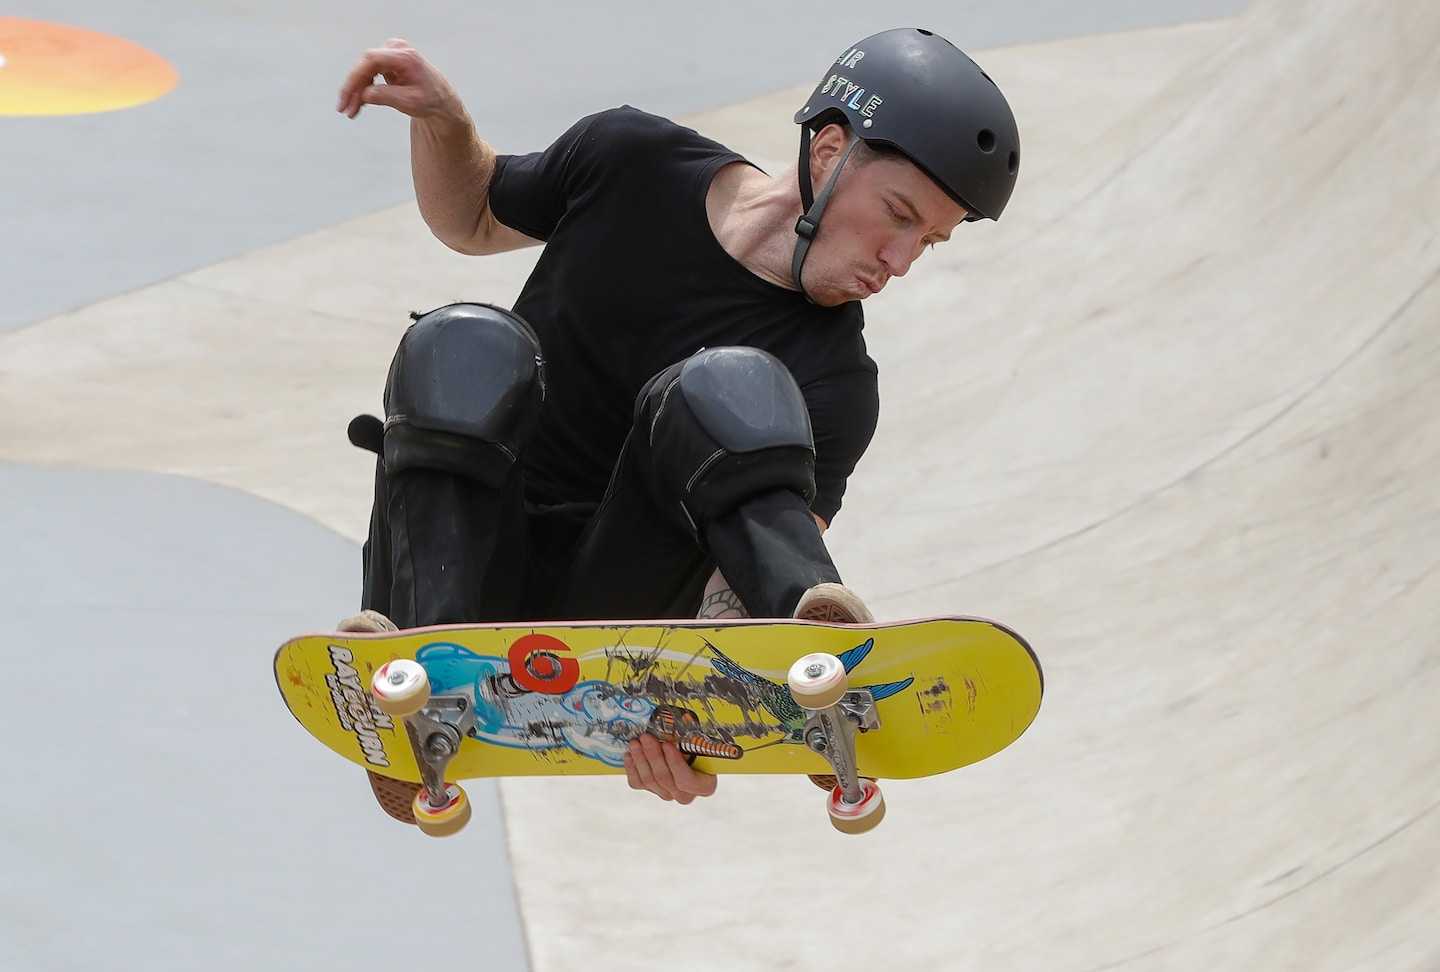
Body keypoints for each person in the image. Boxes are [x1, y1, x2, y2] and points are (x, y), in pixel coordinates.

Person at [332, 27, 1020, 813]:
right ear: (830, 152)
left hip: (613, 621)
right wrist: (446, 122)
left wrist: (700, 717)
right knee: (463, 339)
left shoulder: (837, 384)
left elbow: (742, 571)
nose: (898, 262)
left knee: (725, 386)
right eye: (899, 216)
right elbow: (474, 214)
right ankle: (421, 681)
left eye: (927, 243)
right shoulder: (630, 161)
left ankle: (821, 668)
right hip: (455, 563)